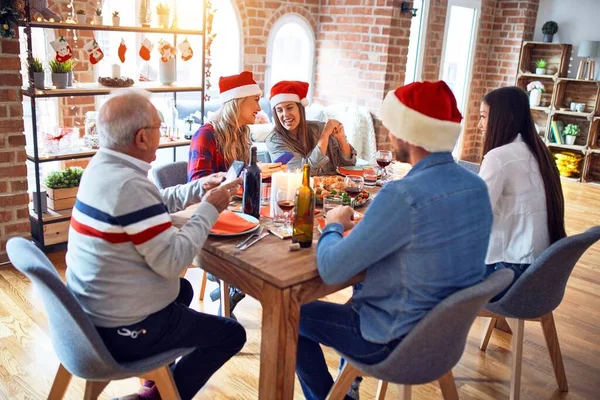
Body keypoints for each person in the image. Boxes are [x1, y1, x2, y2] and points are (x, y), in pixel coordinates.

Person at [295, 81, 493, 400]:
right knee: (364, 285)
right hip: (443, 339)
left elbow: (331, 270)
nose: (388, 135)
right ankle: (346, 391)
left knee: (291, 315)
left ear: (409, 133)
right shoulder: (477, 187)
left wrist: (333, 225)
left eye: (392, 128)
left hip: (392, 339)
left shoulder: (402, 195)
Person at [66, 88, 246, 400]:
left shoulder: (103, 167)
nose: (161, 133)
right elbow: (175, 262)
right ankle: (156, 397)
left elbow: (152, 203)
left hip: (91, 313)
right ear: (141, 138)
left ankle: (159, 380)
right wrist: (209, 208)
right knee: (230, 334)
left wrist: (197, 188)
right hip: (118, 329)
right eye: (158, 126)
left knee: (183, 292)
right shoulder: (128, 186)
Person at [478, 86, 566, 298]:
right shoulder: (539, 152)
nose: (480, 124)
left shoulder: (498, 157)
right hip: (541, 270)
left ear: (503, 117)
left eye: (483, 116)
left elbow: (474, 216)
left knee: (428, 271)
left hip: (511, 275)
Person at [266, 80, 357, 175]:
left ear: (300, 108)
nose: (285, 115)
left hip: (333, 186)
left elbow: (347, 166)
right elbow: (303, 173)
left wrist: (341, 139)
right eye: (279, 110)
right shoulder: (274, 141)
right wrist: (324, 136)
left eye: (289, 108)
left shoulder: (319, 128)